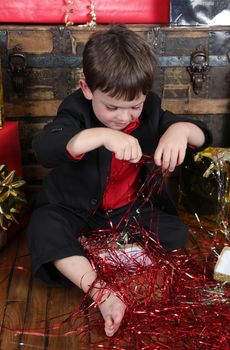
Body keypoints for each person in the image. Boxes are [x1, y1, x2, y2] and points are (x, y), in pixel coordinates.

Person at [27, 25, 212, 337]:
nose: (124, 118)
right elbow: (46, 147)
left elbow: (204, 133)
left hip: (128, 211)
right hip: (74, 210)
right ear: (87, 90)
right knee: (43, 229)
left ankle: (105, 246)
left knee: (176, 234)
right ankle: (100, 291)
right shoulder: (76, 109)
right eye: (111, 107)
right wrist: (99, 135)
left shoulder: (150, 109)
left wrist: (179, 130)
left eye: (134, 107)